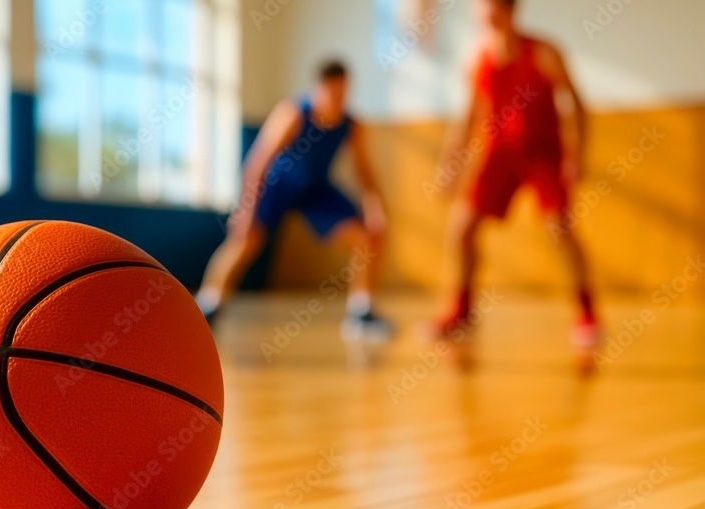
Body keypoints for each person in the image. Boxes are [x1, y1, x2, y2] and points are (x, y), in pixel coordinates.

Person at [434, 0, 599, 345]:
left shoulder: (543, 52)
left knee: (560, 230)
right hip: (499, 155)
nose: (484, 17)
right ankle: (461, 312)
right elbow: (467, 119)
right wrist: (450, 166)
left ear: (509, 11)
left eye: (491, 10)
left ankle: (587, 314)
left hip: (543, 154)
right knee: (461, 228)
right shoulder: (479, 59)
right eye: (479, 11)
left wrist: (576, 155)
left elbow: (576, 104)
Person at [195, 60, 392, 341]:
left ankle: (361, 314)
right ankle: (209, 305)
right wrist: (247, 207)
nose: (338, 98)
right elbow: (258, 161)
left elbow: (366, 173)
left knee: (364, 237)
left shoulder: (352, 124)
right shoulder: (294, 113)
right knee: (245, 240)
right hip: (277, 185)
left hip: (315, 190)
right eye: (332, 91)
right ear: (318, 88)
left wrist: (376, 210)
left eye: (343, 92)